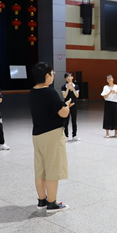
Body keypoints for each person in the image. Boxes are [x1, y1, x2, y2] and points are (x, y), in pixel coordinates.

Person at [29, 62, 71, 214]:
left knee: (40, 170)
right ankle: (52, 204)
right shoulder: (50, 92)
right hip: (52, 134)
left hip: (37, 134)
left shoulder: (33, 91)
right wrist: (66, 106)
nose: (53, 76)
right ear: (47, 75)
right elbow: (63, 113)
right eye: (52, 73)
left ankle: (42, 200)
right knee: (52, 169)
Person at [61, 72, 80, 142]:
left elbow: (77, 96)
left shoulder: (76, 86)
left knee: (74, 121)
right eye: (67, 77)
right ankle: (66, 135)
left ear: (72, 77)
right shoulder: (63, 86)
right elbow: (64, 96)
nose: (68, 78)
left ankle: (74, 135)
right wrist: (68, 89)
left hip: (74, 105)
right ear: (65, 79)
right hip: (66, 105)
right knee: (66, 121)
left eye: (70, 76)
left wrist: (73, 89)